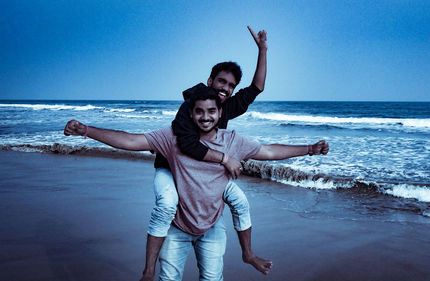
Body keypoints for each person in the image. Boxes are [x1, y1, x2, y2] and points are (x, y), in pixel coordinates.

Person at [64, 87, 329, 280]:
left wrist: (309, 148)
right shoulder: (171, 138)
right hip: (176, 230)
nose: (205, 117)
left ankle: (247, 253)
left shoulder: (233, 141)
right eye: (199, 111)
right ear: (191, 114)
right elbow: (130, 141)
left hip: (212, 230)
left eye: (211, 111)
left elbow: (269, 151)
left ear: (220, 112)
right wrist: (87, 130)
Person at [142, 26, 269, 279]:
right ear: (210, 80)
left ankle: (248, 253)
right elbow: (188, 146)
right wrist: (225, 158)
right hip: (172, 168)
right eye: (221, 81)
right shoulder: (192, 106)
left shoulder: (224, 106)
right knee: (168, 203)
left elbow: (257, 88)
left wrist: (263, 50)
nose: (225, 88)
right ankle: (148, 270)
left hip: (204, 173)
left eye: (231, 85)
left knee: (240, 200)